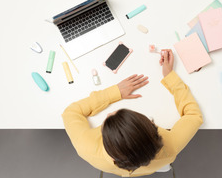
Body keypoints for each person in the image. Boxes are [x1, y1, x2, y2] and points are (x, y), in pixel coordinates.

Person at [62, 49, 203, 177]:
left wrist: (114, 92)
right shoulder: (170, 147)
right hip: (157, 165)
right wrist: (170, 76)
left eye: (107, 120)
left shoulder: (86, 148)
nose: (110, 113)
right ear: (151, 126)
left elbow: (71, 112)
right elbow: (194, 115)